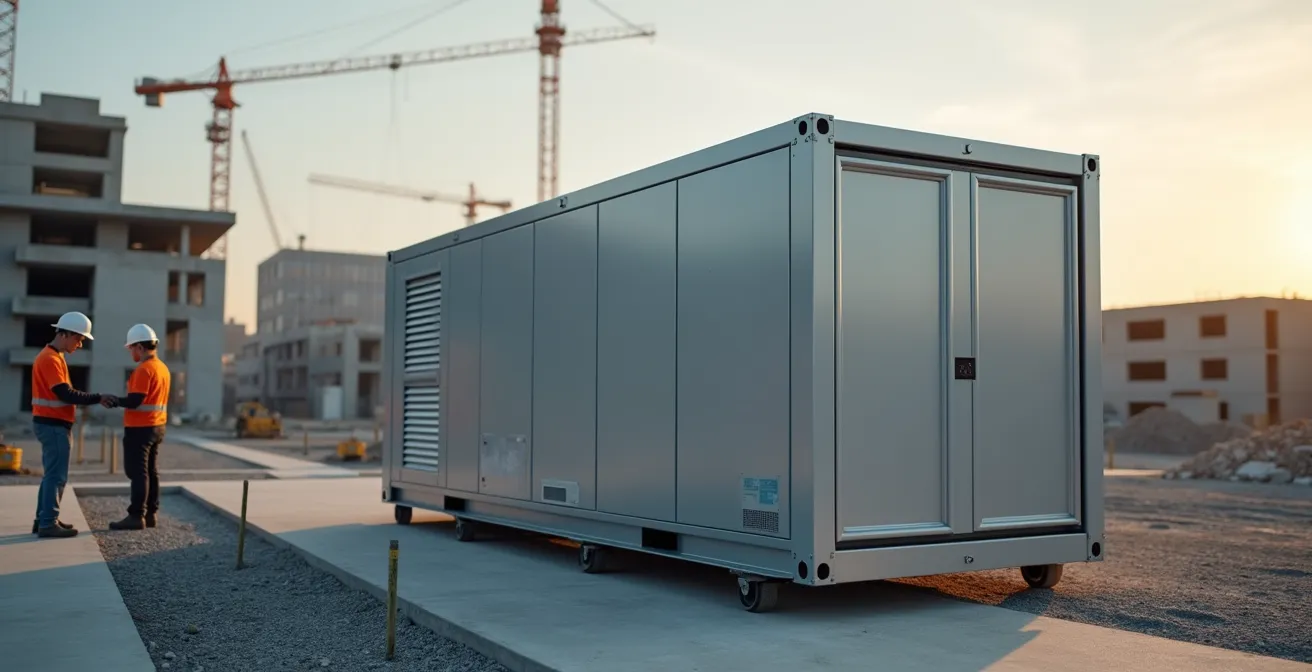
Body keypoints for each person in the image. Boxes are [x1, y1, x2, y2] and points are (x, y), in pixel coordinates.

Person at [32, 312, 113, 538]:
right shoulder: (50, 359)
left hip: (51, 423)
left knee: (51, 475)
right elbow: (65, 394)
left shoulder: (54, 357)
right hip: (53, 425)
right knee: (56, 476)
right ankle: (48, 523)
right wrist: (98, 397)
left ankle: (44, 519)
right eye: (79, 338)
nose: (80, 344)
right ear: (65, 334)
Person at [105, 324, 171, 531]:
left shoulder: (144, 370)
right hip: (157, 426)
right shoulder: (162, 368)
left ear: (140, 347)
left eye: (131, 348)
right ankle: (151, 514)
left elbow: (135, 400)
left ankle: (136, 516)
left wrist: (115, 401)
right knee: (151, 471)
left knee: (138, 473)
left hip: (140, 428)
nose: (130, 352)